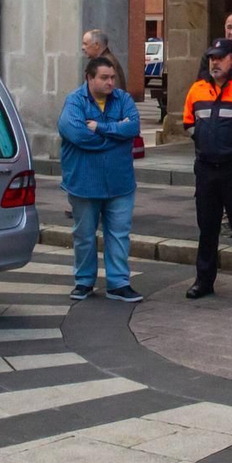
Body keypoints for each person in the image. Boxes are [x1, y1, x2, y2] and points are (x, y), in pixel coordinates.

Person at [181, 39, 232, 302]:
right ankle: (204, 281)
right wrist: (206, 144)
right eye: (212, 57)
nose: (215, 62)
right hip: (206, 169)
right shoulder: (197, 89)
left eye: (221, 57)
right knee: (207, 228)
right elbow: (188, 123)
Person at [59, 56, 143, 303]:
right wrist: (116, 137)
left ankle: (118, 283)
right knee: (84, 235)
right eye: (104, 78)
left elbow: (134, 128)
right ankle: (84, 281)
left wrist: (102, 128)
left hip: (120, 181)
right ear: (90, 77)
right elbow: (77, 135)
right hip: (85, 182)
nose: (110, 82)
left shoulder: (123, 99)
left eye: (113, 77)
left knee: (119, 234)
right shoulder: (74, 101)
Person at [81, 28, 128, 94]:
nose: (82, 47)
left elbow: (115, 92)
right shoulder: (104, 61)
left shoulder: (108, 64)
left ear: (96, 45)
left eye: (85, 44)